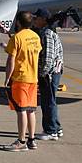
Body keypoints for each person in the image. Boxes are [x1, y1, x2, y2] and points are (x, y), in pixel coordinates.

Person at [1, 11, 42, 152]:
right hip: (33, 78)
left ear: (18, 22)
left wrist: (7, 78)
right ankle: (31, 140)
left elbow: (11, 60)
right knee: (31, 111)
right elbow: (26, 49)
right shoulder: (35, 37)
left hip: (20, 79)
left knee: (21, 111)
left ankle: (21, 141)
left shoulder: (17, 38)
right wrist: (7, 33)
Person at [33, 8, 64, 141]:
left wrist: (43, 73)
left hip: (50, 73)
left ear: (43, 19)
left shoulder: (47, 34)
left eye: (37, 18)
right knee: (51, 100)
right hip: (53, 71)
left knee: (48, 102)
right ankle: (56, 127)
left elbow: (48, 58)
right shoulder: (48, 32)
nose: (35, 20)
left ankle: (50, 131)